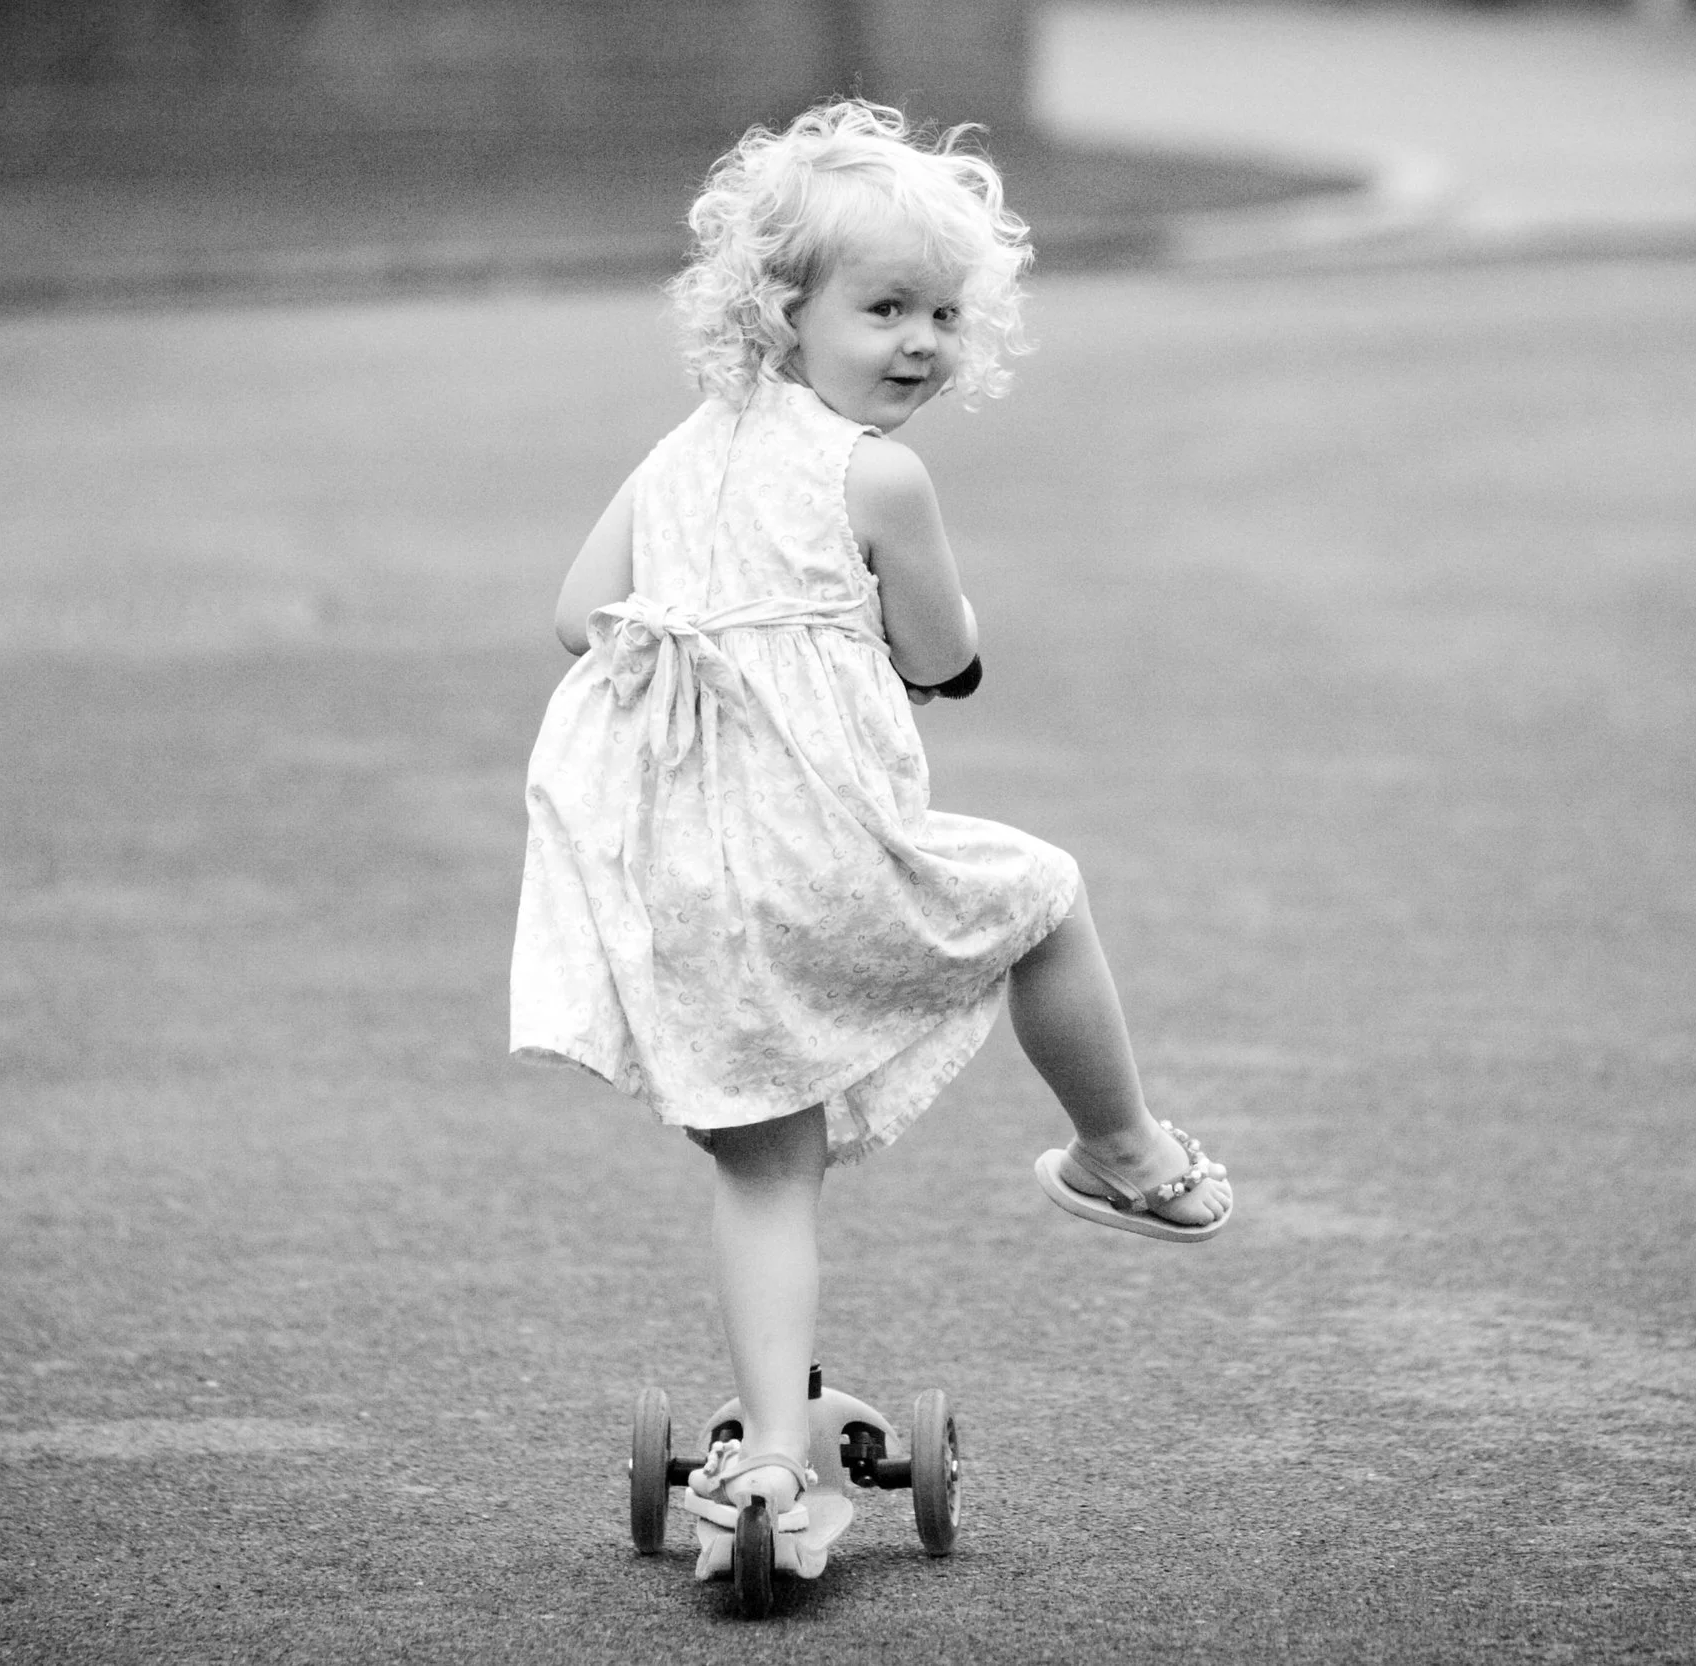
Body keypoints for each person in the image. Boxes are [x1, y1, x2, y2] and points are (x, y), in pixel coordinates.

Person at [510, 99, 1232, 1582]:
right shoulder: (878, 477)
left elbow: (579, 616)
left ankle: (771, 1449)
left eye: (945, 314)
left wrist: (700, 632)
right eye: (885, 307)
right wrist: (902, 655)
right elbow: (943, 644)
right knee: (1041, 891)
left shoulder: (680, 456)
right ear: (784, 313)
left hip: (685, 879)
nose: (920, 341)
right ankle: (1122, 1148)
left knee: (766, 1170)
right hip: (823, 862)